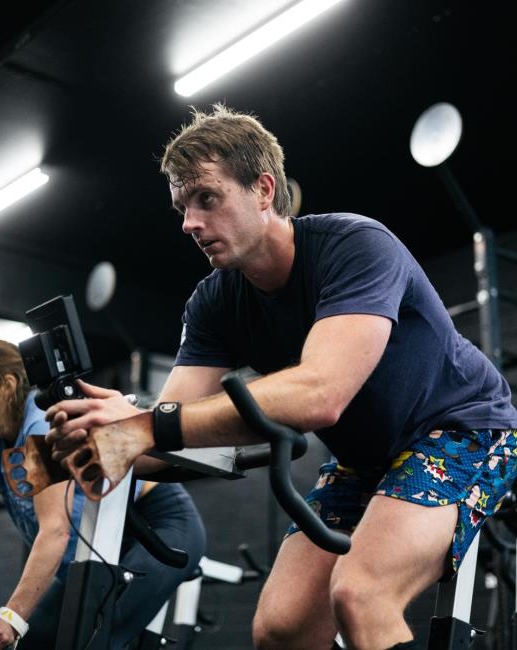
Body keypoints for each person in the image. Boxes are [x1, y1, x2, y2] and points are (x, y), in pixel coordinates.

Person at [44, 104, 517, 650]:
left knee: (361, 594)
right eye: (182, 207)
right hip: (364, 461)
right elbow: (169, 435)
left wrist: (144, 426)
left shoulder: (355, 246)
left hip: (463, 430)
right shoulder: (213, 303)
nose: (189, 223)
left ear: (264, 189)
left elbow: (319, 394)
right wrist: (101, 437)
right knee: (280, 629)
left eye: (206, 198)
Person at [0, 339, 206, 650]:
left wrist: (11, 617)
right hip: (95, 545)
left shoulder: (42, 425)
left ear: (7, 385)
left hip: (157, 526)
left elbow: (55, 530)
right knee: (35, 642)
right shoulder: (3, 436)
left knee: (94, 639)